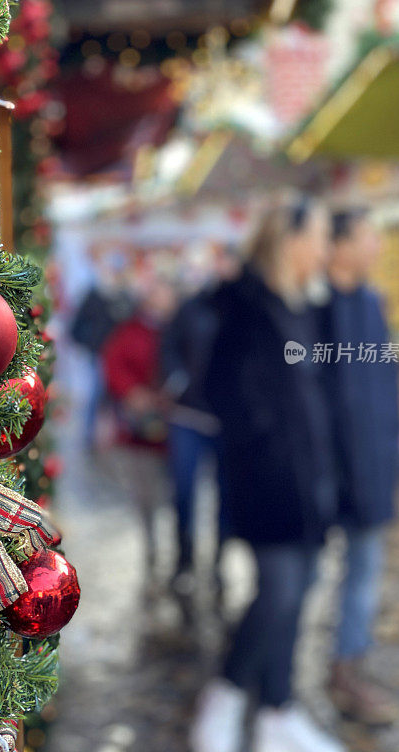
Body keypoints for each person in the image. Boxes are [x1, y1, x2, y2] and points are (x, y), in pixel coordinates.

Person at [190, 196, 345, 752]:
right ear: (291, 240)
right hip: (269, 485)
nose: (327, 248)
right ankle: (226, 697)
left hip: (309, 483)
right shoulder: (248, 309)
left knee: (299, 591)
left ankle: (278, 711)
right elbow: (228, 395)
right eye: (321, 236)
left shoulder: (300, 306)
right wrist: (272, 453)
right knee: (277, 593)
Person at [319, 209, 399, 726]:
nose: (377, 245)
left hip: (372, 463)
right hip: (326, 468)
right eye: (370, 235)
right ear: (341, 244)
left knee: (365, 571)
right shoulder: (315, 305)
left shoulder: (372, 303)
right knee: (298, 578)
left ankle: (348, 669)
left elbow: (382, 385)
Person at [160, 245, 240, 590]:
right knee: (184, 492)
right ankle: (184, 560)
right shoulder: (192, 306)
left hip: (229, 419)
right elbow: (169, 346)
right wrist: (178, 380)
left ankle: (220, 559)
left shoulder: (245, 311)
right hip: (188, 416)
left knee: (227, 493)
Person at [102, 277, 177, 577]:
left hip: (175, 426)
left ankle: (176, 545)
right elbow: (113, 364)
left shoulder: (177, 328)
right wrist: (132, 393)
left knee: (173, 491)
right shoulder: (129, 331)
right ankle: (152, 545)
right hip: (138, 430)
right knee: (145, 492)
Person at [70, 258, 134, 450]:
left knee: (118, 397)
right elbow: (77, 326)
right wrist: (91, 342)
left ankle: (119, 437)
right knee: (96, 394)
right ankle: (90, 436)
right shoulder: (95, 295)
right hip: (99, 354)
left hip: (121, 357)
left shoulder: (126, 297)